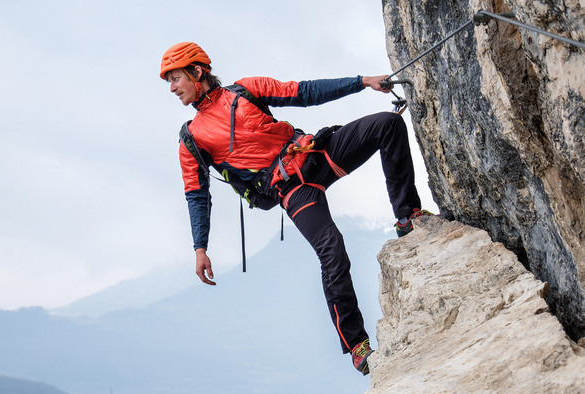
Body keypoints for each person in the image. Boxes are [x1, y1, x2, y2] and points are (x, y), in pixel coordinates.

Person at [160, 42, 431, 375]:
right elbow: (196, 194)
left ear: (197, 72)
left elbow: (304, 92)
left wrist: (363, 81)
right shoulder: (192, 138)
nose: (172, 88)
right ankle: (357, 346)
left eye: (175, 79)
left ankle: (408, 217)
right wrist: (200, 247)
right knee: (332, 249)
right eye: (169, 82)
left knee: (387, 125)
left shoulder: (245, 90)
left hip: (315, 154)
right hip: (292, 188)